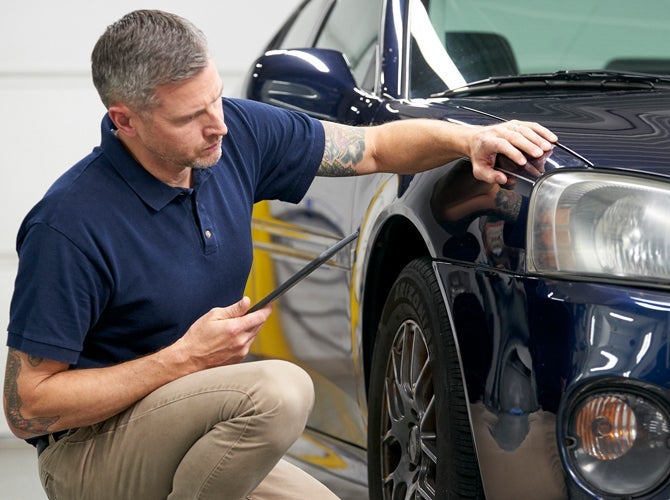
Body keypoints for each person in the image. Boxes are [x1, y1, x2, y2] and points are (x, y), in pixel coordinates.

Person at [2, 9, 557, 500]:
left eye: (215, 97)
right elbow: (27, 408)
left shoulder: (234, 135)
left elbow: (374, 147)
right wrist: (182, 360)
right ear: (125, 120)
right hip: (91, 457)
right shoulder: (70, 224)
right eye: (188, 117)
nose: (216, 123)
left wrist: (470, 139)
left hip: (199, 432)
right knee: (281, 391)